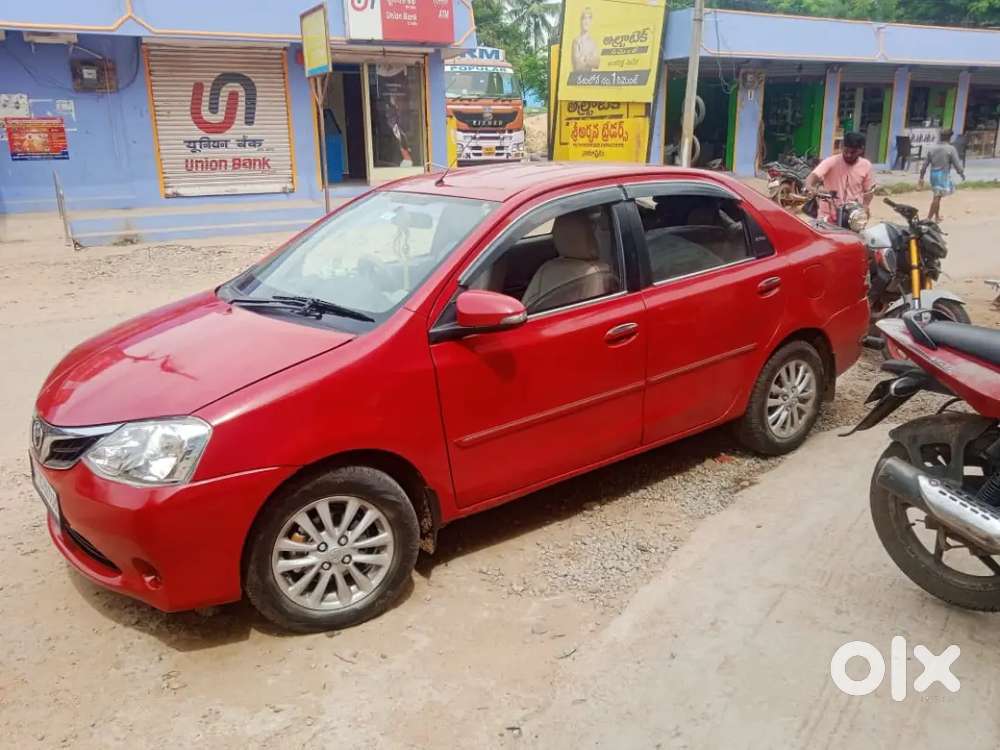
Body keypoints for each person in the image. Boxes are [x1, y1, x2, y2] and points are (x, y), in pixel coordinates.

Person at [805, 131, 875, 223]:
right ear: (842, 147)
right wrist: (810, 187)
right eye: (846, 151)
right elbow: (813, 176)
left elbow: (869, 191)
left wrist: (865, 206)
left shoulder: (866, 165)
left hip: (853, 215)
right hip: (829, 213)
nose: (848, 155)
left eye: (853, 152)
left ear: (861, 150)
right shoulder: (831, 161)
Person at [919, 128, 965, 222]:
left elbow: (924, 165)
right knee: (937, 197)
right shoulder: (951, 149)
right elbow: (957, 164)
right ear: (949, 138)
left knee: (937, 196)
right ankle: (929, 218)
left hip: (933, 175)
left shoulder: (932, 148)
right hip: (942, 175)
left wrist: (921, 177)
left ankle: (937, 217)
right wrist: (961, 173)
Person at [571, 7, 600, 73]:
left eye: (589, 18)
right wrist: (590, 59)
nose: (586, 21)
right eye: (584, 18)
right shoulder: (576, 41)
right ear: (581, 21)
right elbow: (578, 66)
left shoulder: (593, 43)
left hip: (589, 79)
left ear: (591, 22)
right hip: (577, 79)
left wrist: (584, 58)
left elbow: (597, 64)